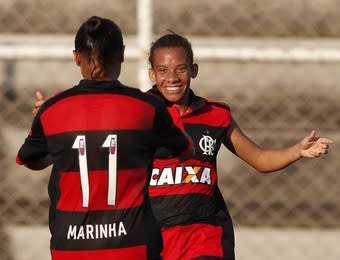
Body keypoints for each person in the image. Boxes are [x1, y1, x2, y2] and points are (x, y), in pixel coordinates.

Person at [31, 33, 333, 260]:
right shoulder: (136, 113)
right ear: (151, 74)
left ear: (194, 70)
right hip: (149, 236)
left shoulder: (217, 115)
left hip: (205, 235)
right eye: (162, 71)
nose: (172, 78)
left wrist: (297, 150)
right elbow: (87, 136)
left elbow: (258, 158)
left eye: (181, 69)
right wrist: (53, 116)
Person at [16, 17, 193, 260]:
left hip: (70, 249)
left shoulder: (52, 110)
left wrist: (59, 139)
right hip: (133, 247)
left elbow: (29, 159)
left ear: (77, 57)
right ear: (121, 54)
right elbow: (185, 150)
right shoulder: (147, 108)